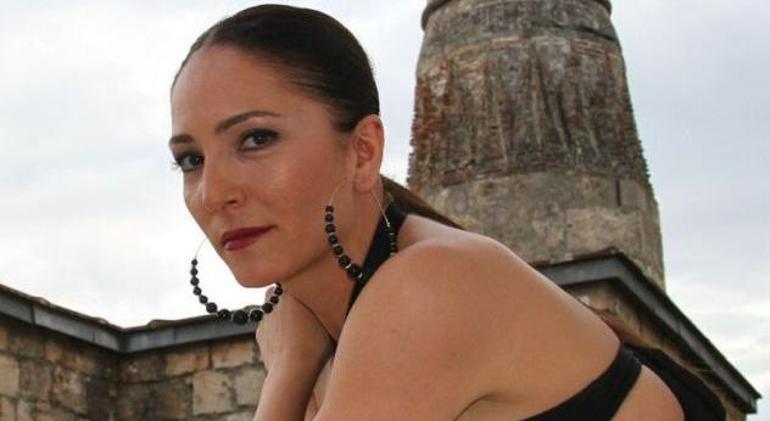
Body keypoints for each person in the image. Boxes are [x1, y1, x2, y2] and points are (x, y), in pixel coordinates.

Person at [168, 4, 724, 420]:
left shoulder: (425, 288)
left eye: (256, 138)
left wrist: (288, 369)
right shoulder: (344, 327)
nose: (213, 193)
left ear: (363, 151)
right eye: (191, 159)